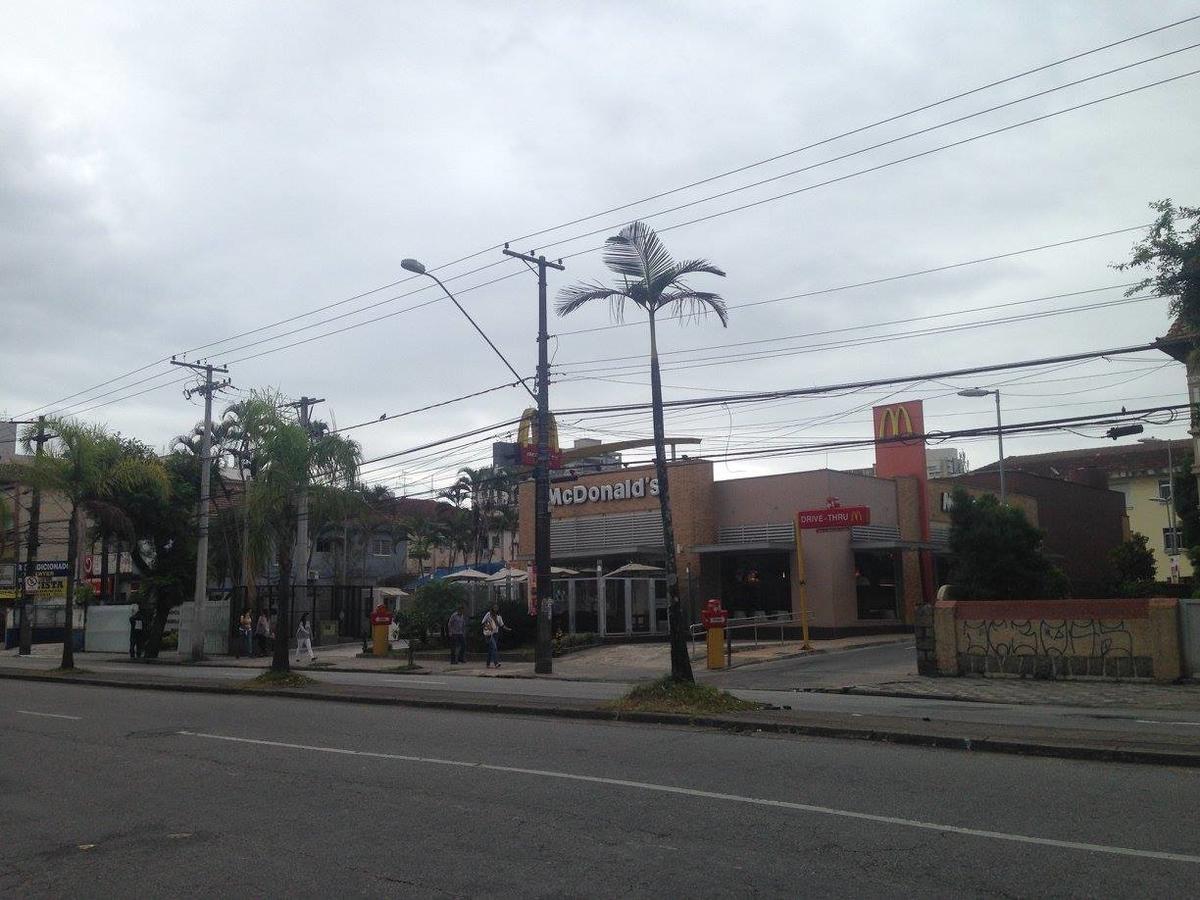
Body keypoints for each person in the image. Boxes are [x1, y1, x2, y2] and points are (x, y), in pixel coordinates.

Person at [481, 604, 510, 669]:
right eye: (495, 608)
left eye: (497, 608)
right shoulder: (488, 614)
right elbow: (483, 622)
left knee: (491, 649)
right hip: (489, 634)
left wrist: (507, 629)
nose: (496, 609)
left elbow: (502, 625)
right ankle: (496, 663)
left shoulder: (499, 616)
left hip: (495, 634)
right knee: (494, 647)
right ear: (492, 608)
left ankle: (488, 663)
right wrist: (487, 628)